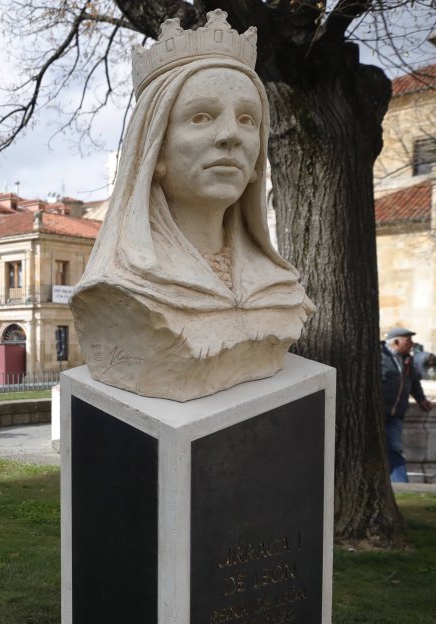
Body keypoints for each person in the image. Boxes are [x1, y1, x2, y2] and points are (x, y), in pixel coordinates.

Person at [69, 10, 313, 401]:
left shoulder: (281, 287)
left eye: (248, 119)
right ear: (155, 149)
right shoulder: (125, 285)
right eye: (201, 117)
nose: (231, 135)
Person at [381, 327, 434, 482]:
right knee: (391, 449)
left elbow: (413, 381)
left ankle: (400, 483)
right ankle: (399, 482)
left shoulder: (407, 359)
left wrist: (421, 399)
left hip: (395, 413)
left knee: (394, 449)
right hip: (379, 412)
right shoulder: (379, 356)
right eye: (408, 340)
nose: (412, 343)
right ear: (396, 342)